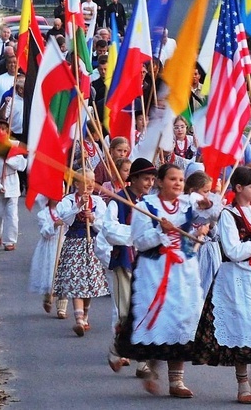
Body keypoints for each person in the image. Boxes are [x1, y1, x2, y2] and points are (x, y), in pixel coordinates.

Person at [116, 163, 219, 398]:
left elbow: (212, 215)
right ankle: (152, 369)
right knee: (157, 321)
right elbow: (140, 242)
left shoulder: (188, 203)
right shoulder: (146, 207)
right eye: (172, 179)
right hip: (154, 271)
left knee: (181, 321)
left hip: (183, 271)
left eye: (181, 180)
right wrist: (162, 232)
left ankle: (177, 381)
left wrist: (208, 204)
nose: (178, 183)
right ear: (160, 181)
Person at [192, 166, 251, 404]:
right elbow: (233, 251)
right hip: (236, 278)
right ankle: (243, 382)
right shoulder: (228, 215)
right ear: (238, 188)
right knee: (243, 329)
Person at [99, 158, 158, 377]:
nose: (149, 183)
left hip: (148, 263)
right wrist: (135, 233)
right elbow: (108, 230)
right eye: (145, 178)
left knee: (145, 312)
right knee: (125, 313)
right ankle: (117, 349)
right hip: (125, 260)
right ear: (132, 178)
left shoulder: (152, 203)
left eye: (152, 179)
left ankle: (143, 362)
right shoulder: (118, 200)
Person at [53, 169, 109, 336]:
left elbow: (104, 227)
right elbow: (65, 220)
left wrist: (93, 219)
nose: (90, 184)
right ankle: (78, 320)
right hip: (74, 243)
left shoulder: (99, 202)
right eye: (86, 181)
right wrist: (77, 207)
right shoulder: (68, 201)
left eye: (92, 181)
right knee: (76, 281)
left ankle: (84, 315)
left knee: (89, 281)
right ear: (77, 184)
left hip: (92, 244)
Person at [0, 119, 27, 251]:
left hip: (12, 183)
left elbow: (22, 165)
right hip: (0, 183)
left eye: (4, 129)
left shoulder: (14, 146)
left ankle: (10, 241)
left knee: (12, 214)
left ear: (8, 132)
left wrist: (9, 158)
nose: (1, 131)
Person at [28, 196, 69, 319]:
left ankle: (62, 307)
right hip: (50, 246)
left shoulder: (65, 210)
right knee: (50, 274)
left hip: (64, 244)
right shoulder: (43, 214)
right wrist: (55, 226)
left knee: (64, 274)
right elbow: (45, 232)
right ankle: (48, 296)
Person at [183, 171, 222, 300]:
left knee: (208, 290)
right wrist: (195, 233)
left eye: (210, 191)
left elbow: (216, 236)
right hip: (191, 253)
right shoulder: (184, 207)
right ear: (193, 191)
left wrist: (211, 226)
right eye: (205, 191)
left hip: (208, 253)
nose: (208, 195)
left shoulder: (208, 207)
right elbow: (178, 233)